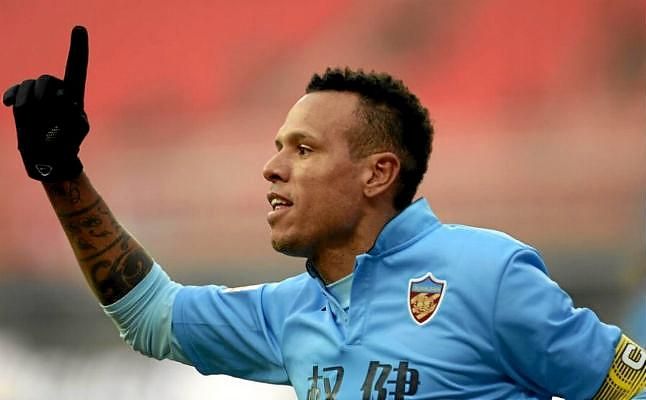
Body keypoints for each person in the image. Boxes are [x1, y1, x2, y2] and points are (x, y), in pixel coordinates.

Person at [3, 26, 644, 400]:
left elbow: (628, 385)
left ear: (377, 174)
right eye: (278, 146)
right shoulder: (289, 312)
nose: (272, 167)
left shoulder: (489, 274)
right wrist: (62, 176)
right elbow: (151, 316)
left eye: (303, 149)